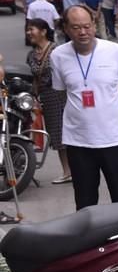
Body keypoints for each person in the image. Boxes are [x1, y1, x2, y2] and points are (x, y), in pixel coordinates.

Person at [50, 5, 118, 209]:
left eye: (87, 26)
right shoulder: (58, 56)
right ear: (66, 29)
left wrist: (109, 109)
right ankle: (89, 241)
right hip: (79, 142)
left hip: (114, 139)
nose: (83, 32)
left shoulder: (115, 51)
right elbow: (62, 91)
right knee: (85, 202)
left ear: (94, 25)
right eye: (76, 27)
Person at [25, 18, 73, 186]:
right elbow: (34, 79)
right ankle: (67, 171)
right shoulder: (31, 54)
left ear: (44, 31)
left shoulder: (57, 50)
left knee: (69, 132)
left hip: (61, 94)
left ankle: (78, 168)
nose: (29, 33)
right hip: (45, 97)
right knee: (56, 135)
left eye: (32, 29)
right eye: (28, 30)